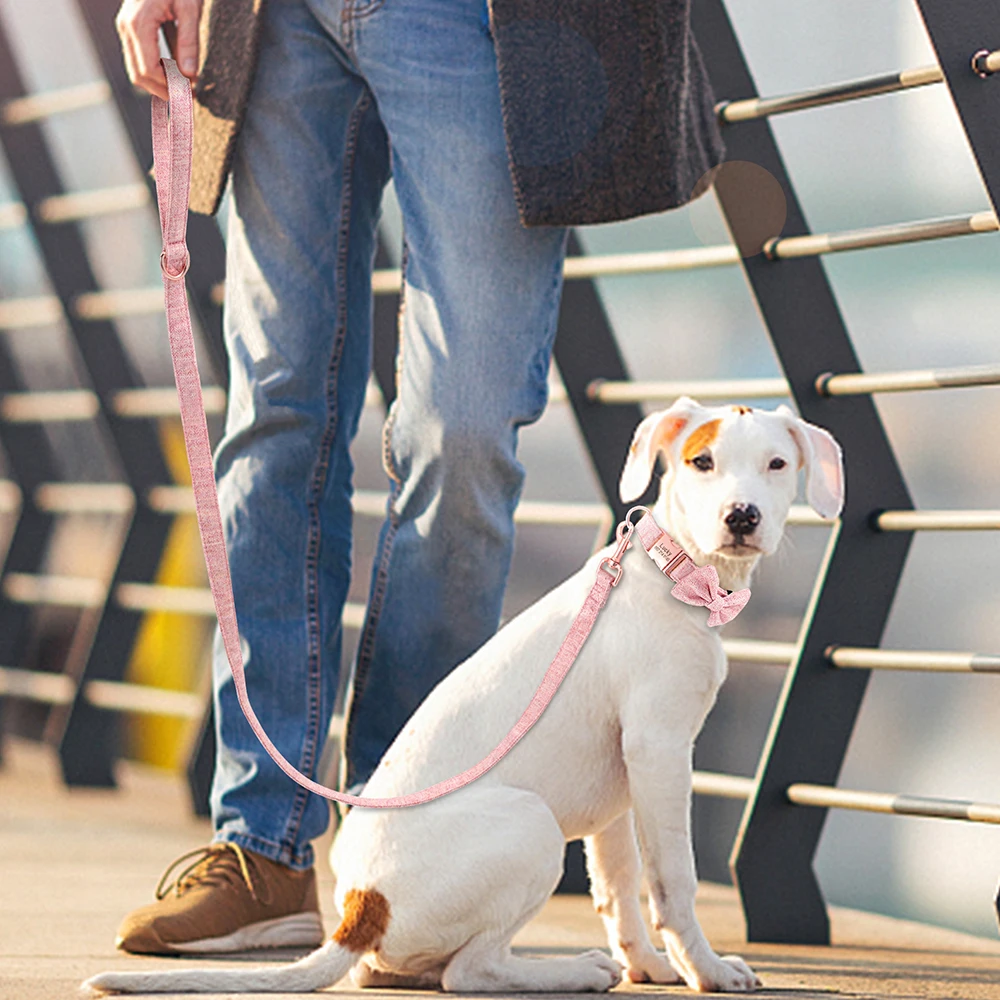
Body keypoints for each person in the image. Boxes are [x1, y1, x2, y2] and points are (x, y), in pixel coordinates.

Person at [112, 0, 724, 955]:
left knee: (465, 432)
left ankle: (405, 865)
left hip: (486, 23)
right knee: (273, 416)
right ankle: (262, 850)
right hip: (276, 19)